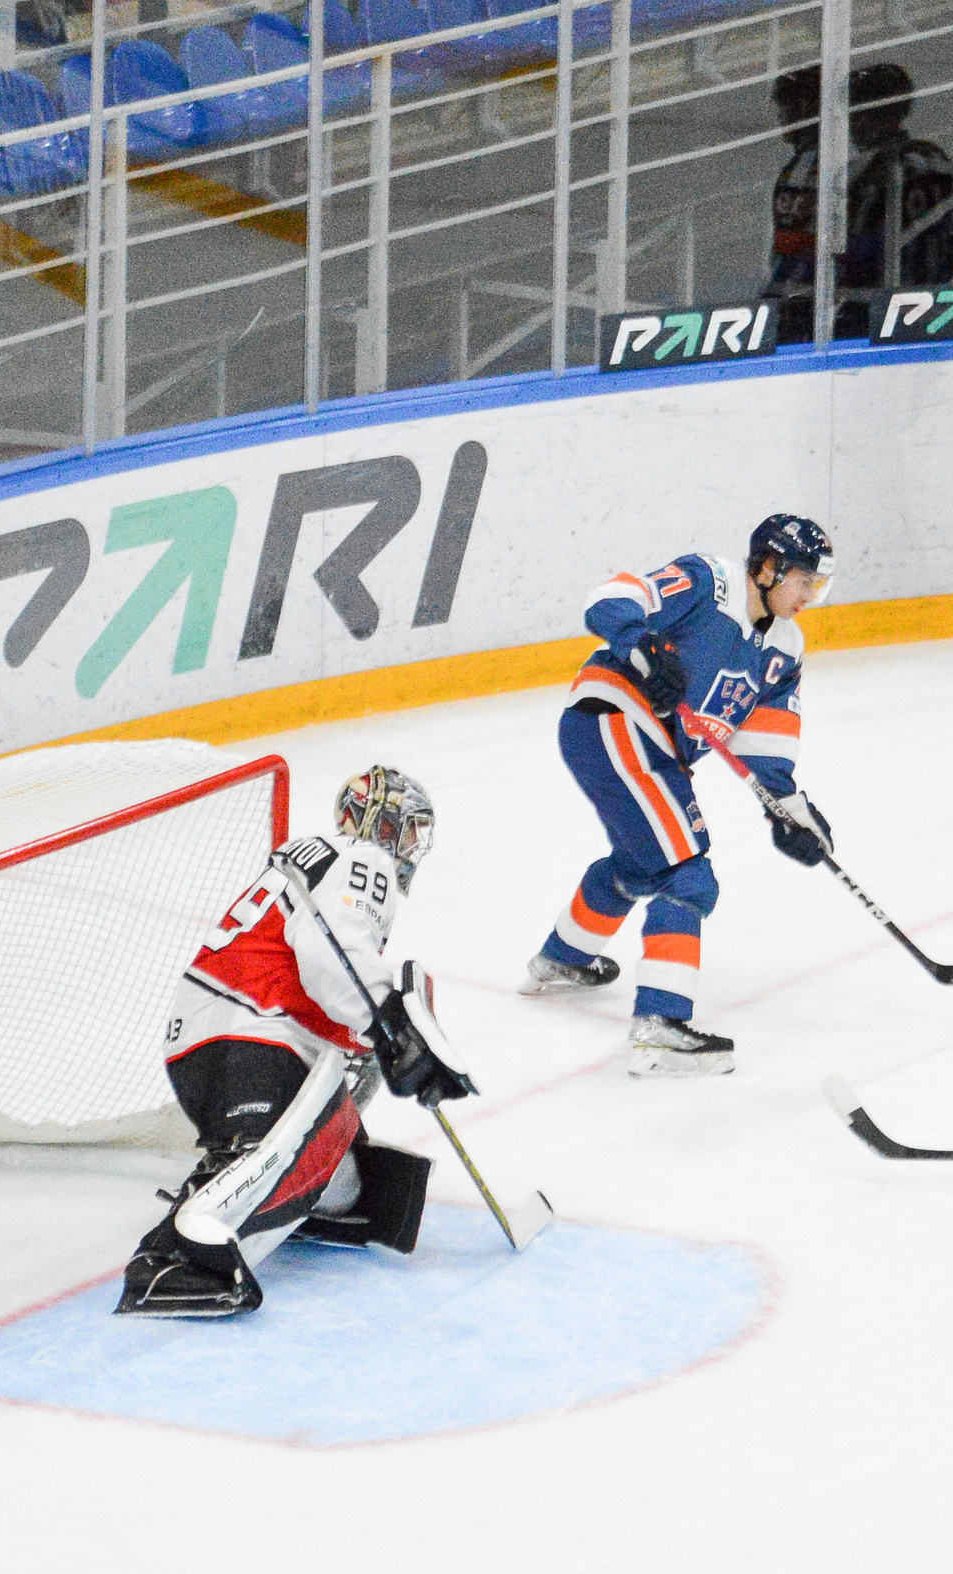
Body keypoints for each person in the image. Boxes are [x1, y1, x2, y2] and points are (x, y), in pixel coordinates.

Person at [118, 766, 475, 1317]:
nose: (410, 847)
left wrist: (388, 1039)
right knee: (287, 1139)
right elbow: (331, 959)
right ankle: (169, 1260)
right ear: (377, 822)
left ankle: (278, 1188)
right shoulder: (363, 857)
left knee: (352, 1190)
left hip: (226, 1033)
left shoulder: (321, 857)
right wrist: (393, 1027)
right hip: (251, 1030)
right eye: (407, 829)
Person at [521, 515, 837, 1077]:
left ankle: (560, 959)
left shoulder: (785, 648)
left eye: (817, 582)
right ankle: (660, 1028)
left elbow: (766, 750)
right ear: (766, 569)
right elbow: (611, 598)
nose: (810, 593)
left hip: (655, 748)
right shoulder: (707, 582)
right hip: (613, 720)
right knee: (688, 873)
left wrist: (790, 813)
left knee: (642, 866)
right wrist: (640, 644)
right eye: (802, 580)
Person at [839, 63, 953, 328]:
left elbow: (854, 248)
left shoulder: (868, 169)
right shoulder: (933, 157)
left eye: (859, 110)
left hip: (873, 307)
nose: (853, 120)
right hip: (928, 301)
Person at [764, 68, 824, 345]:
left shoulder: (806, 166)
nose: (780, 117)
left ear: (805, 107)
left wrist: (776, 294)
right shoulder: (838, 156)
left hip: (805, 301)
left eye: (785, 107)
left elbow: (792, 245)